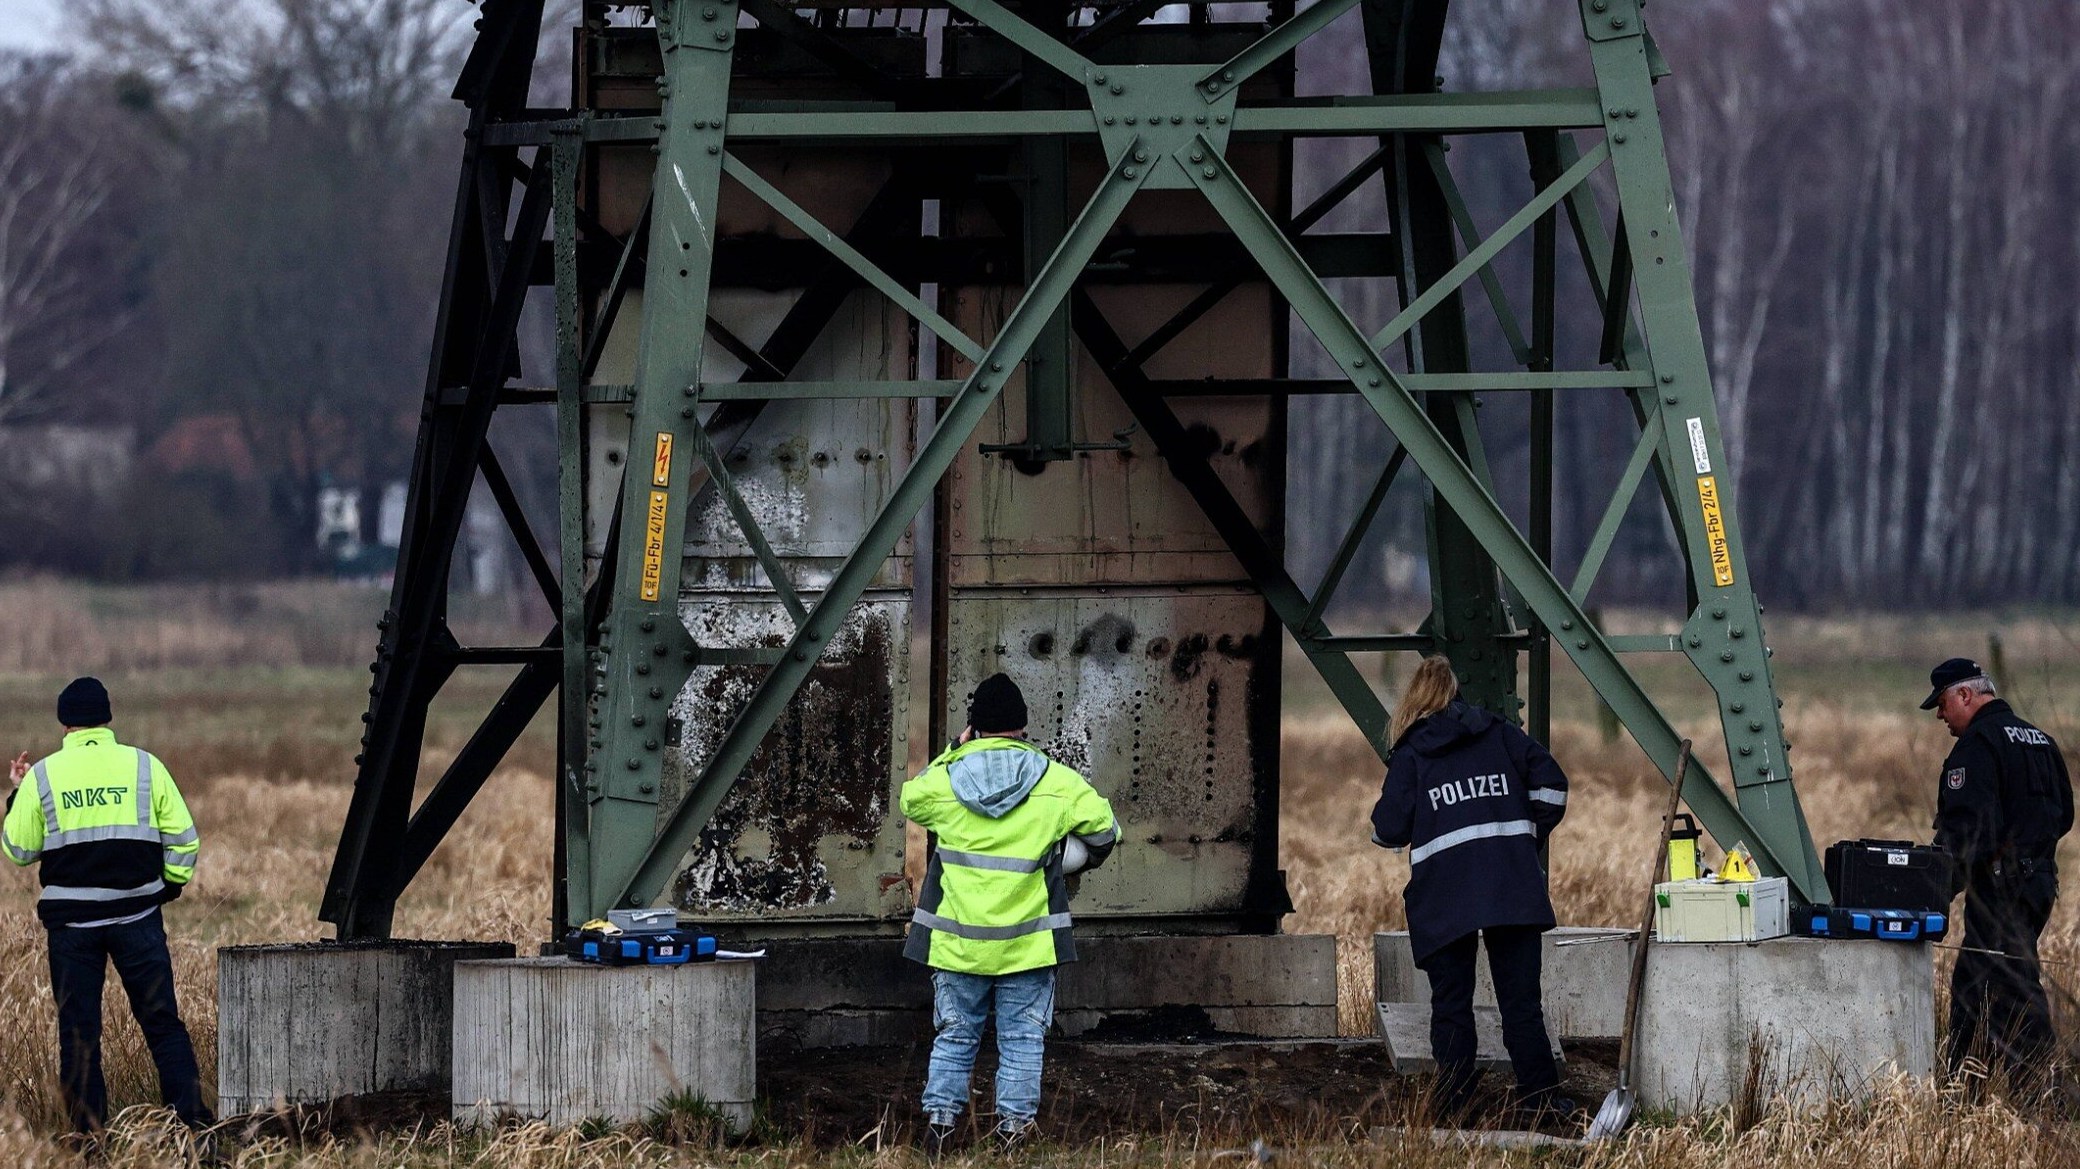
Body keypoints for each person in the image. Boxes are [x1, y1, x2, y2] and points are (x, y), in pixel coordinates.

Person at [901, 673, 1118, 1154]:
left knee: (956, 1035)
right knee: (1022, 1039)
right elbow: (1105, 830)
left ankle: (939, 1130)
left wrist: (954, 749)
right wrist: (1073, 859)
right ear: (1022, 727)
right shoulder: (1056, 781)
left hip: (958, 946)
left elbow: (909, 798)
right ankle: (1011, 1136)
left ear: (974, 728)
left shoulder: (946, 780)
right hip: (1029, 945)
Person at [1, 677, 210, 1132]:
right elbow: (185, 841)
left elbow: (17, 850)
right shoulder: (145, 767)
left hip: (72, 931)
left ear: (64, 723)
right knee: (162, 1024)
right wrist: (166, 887)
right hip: (138, 919)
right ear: (107, 719)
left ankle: (90, 1143)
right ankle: (195, 1128)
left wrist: (17, 793)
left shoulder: (43, 775)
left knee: (79, 1037)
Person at [1369, 656, 1572, 1123]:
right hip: (1511, 886)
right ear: (1455, 692)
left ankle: (1453, 1108)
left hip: (1445, 896)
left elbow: (1387, 831)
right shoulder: (1500, 733)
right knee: (1521, 1004)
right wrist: (1521, 836)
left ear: (1414, 702)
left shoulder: (1412, 753)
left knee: (1452, 1006)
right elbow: (1553, 789)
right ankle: (1540, 1104)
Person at [1923, 657, 2073, 1084]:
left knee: (2013, 989)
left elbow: (1969, 834)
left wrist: (1934, 889)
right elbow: (2064, 815)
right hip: (2039, 885)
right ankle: (1961, 1087)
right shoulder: (2039, 739)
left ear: (1965, 695)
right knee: (1973, 984)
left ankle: (2050, 1096)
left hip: (2000, 890)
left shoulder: (1977, 746)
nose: (1940, 715)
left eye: (1942, 703)